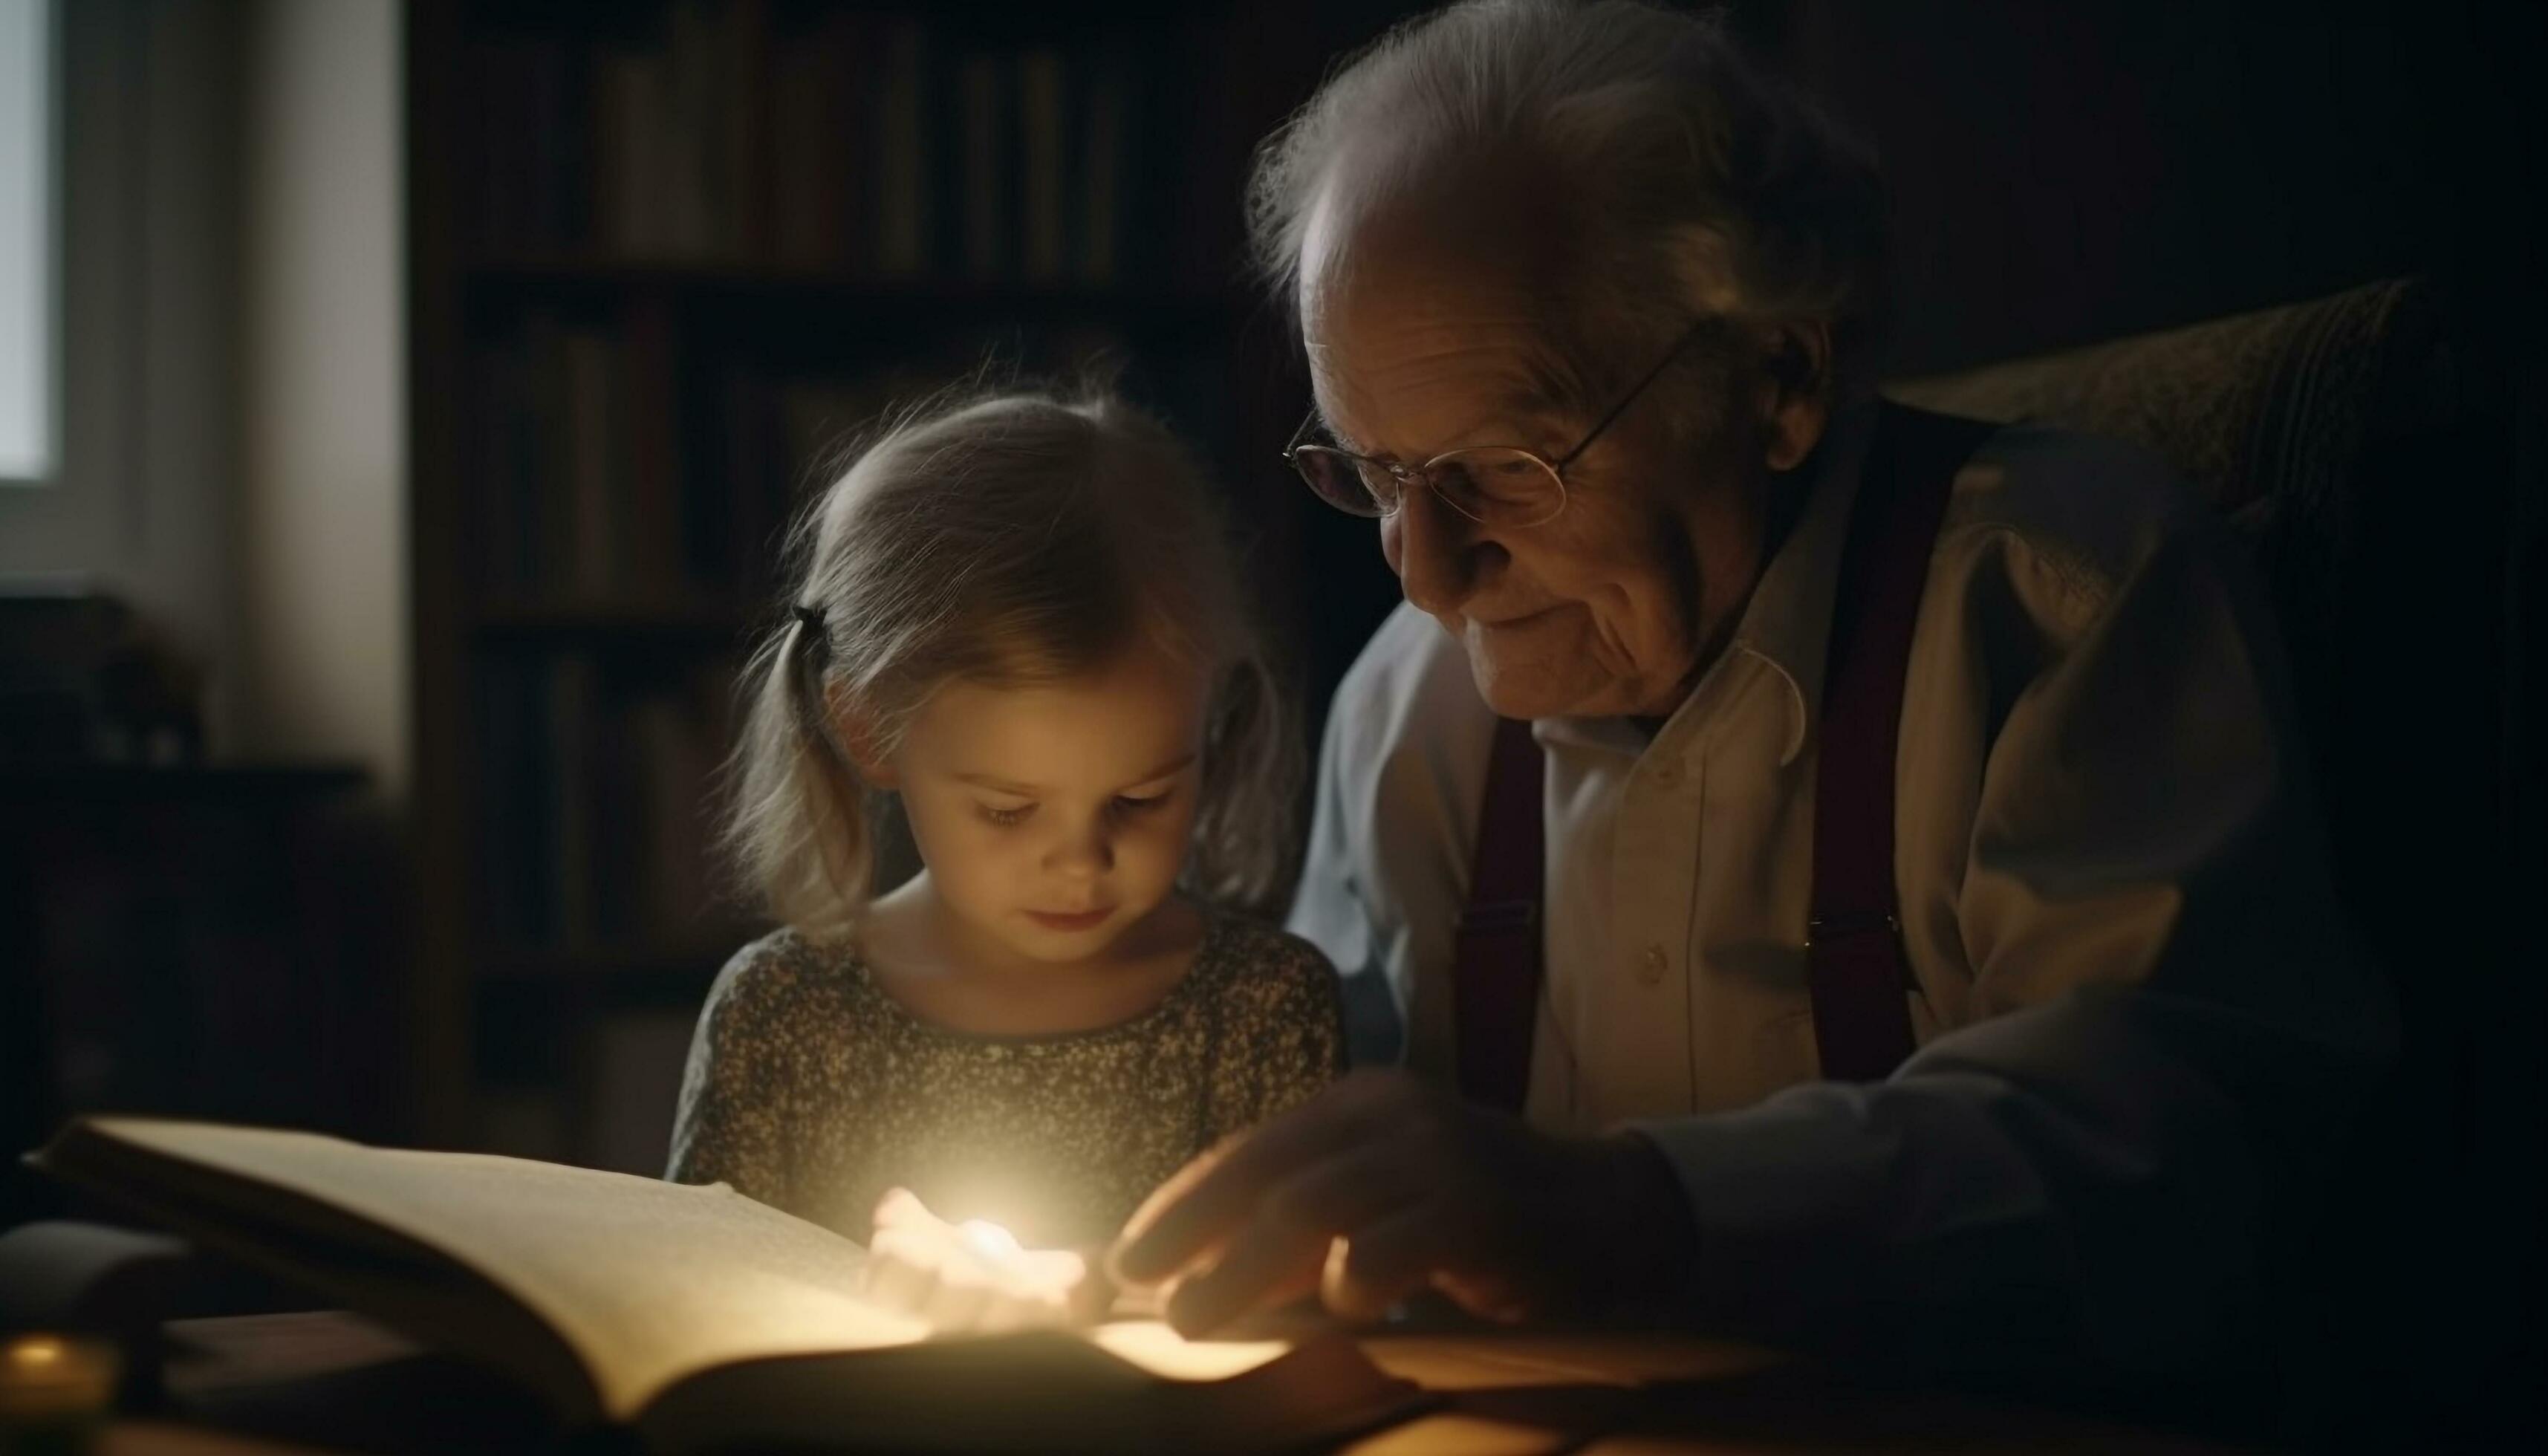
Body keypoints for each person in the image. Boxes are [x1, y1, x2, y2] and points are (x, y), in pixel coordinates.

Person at [1108, 0, 2393, 1388]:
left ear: (1778, 377)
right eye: (1373, 472)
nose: (1425, 576)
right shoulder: (1410, 709)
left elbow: (2170, 1156)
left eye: (1507, 466)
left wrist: (1635, 1211)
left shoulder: (2056, 601)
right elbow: (1326, 1103)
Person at [669, 389, 1345, 1295]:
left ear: (1212, 729)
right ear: (869, 732)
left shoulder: (1259, 1010)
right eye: (1007, 809)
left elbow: (1304, 1321)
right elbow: (687, 1315)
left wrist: (1091, 1294)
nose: (1080, 862)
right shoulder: (784, 1014)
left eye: (1140, 798)